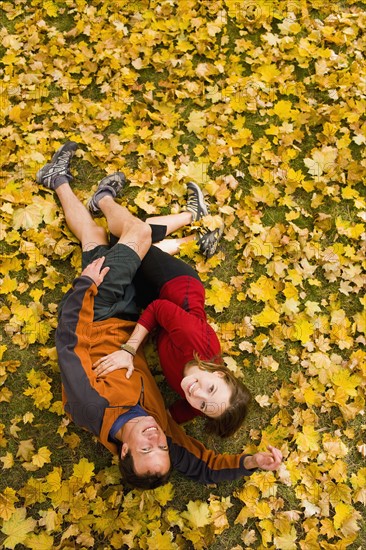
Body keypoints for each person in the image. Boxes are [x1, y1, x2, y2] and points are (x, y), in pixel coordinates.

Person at [36, 141, 283, 490]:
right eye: (162, 445)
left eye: (146, 447)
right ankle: (66, 183)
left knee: (129, 235)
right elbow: (206, 467)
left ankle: (67, 183)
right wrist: (252, 462)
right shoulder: (159, 427)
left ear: (124, 453)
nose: (155, 436)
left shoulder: (89, 405)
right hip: (134, 314)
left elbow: (68, 341)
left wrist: (85, 285)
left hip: (98, 311)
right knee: (98, 238)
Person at [94, 243, 252, 438]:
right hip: (175, 284)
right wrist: (129, 350)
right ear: (219, 374)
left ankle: (165, 245)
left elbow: (183, 411)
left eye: (203, 405)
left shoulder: (199, 401)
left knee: (114, 264)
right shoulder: (193, 338)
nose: (197, 393)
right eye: (211, 388)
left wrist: (163, 423)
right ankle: (188, 229)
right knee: (120, 243)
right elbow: (157, 308)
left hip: (163, 321)